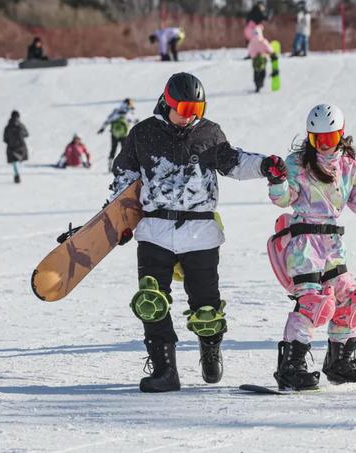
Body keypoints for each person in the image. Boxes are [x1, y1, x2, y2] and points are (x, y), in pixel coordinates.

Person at [108, 72, 286, 393]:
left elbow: (233, 162)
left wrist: (264, 166)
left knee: (206, 305)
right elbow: (123, 178)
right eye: (184, 108)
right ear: (167, 102)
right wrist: (116, 222)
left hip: (199, 231)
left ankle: (210, 346)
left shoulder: (208, 133)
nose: (190, 116)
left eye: (197, 109)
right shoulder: (142, 134)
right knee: (152, 300)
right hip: (155, 229)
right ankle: (165, 370)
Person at [266, 104, 356, 391]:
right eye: (318, 140)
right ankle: (291, 367)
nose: (324, 145)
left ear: (341, 136)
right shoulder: (296, 164)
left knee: (352, 300)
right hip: (303, 241)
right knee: (313, 304)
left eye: (330, 139)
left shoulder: (348, 168)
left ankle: (340, 363)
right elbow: (283, 200)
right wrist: (277, 181)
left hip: (332, 243)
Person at [98, 98, 137, 172]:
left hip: (114, 134)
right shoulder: (128, 113)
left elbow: (108, 120)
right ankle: (125, 167)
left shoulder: (116, 112)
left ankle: (110, 166)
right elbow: (134, 122)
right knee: (124, 151)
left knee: (113, 149)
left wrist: (102, 128)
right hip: (124, 135)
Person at [3, 110, 28, 184]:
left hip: (11, 147)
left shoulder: (7, 127)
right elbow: (26, 134)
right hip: (21, 146)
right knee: (20, 157)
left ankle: (17, 174)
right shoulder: (21, 125)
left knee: (13, 160)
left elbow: (5, 138)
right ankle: (20, 158)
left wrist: (9, 141)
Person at [247, 27, 275, 93]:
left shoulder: (252, 42)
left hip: (255, 60)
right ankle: (261, 82)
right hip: (263, 58)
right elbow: (268, 47)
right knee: (262, 71)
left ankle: (257, 85)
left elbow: (250, 50)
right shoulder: (263, 41)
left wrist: (253, 55)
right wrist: (271, 53)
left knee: (256, 72)